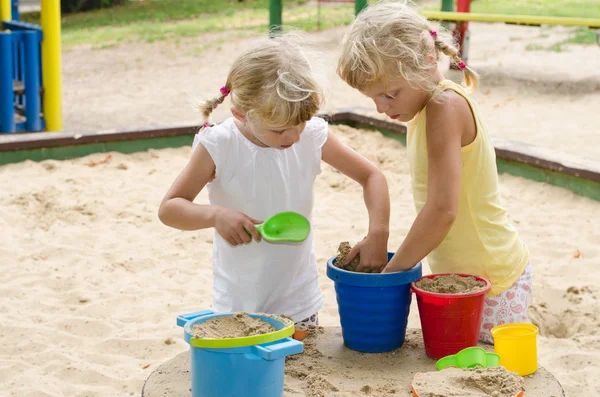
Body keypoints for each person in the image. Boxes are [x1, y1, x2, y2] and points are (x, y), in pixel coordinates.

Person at [158, 33, 390, 329]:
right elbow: (170, 208)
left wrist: (378, 234)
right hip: (238, 303)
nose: (293, 137)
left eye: (300, 124)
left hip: (298, 300)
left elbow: (372, 176)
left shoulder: (312, 136)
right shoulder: (220, 144)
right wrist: (215, 215)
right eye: (279, 130)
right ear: (241, 115)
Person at [337, 0, 531, 343]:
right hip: (465, 276)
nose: (382, 108)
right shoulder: (426, 107)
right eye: (373, 99)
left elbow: (442, 210)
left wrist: (390, 274)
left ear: (427, 62)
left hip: (491, 280)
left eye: (389, 94)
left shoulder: (444, 107)